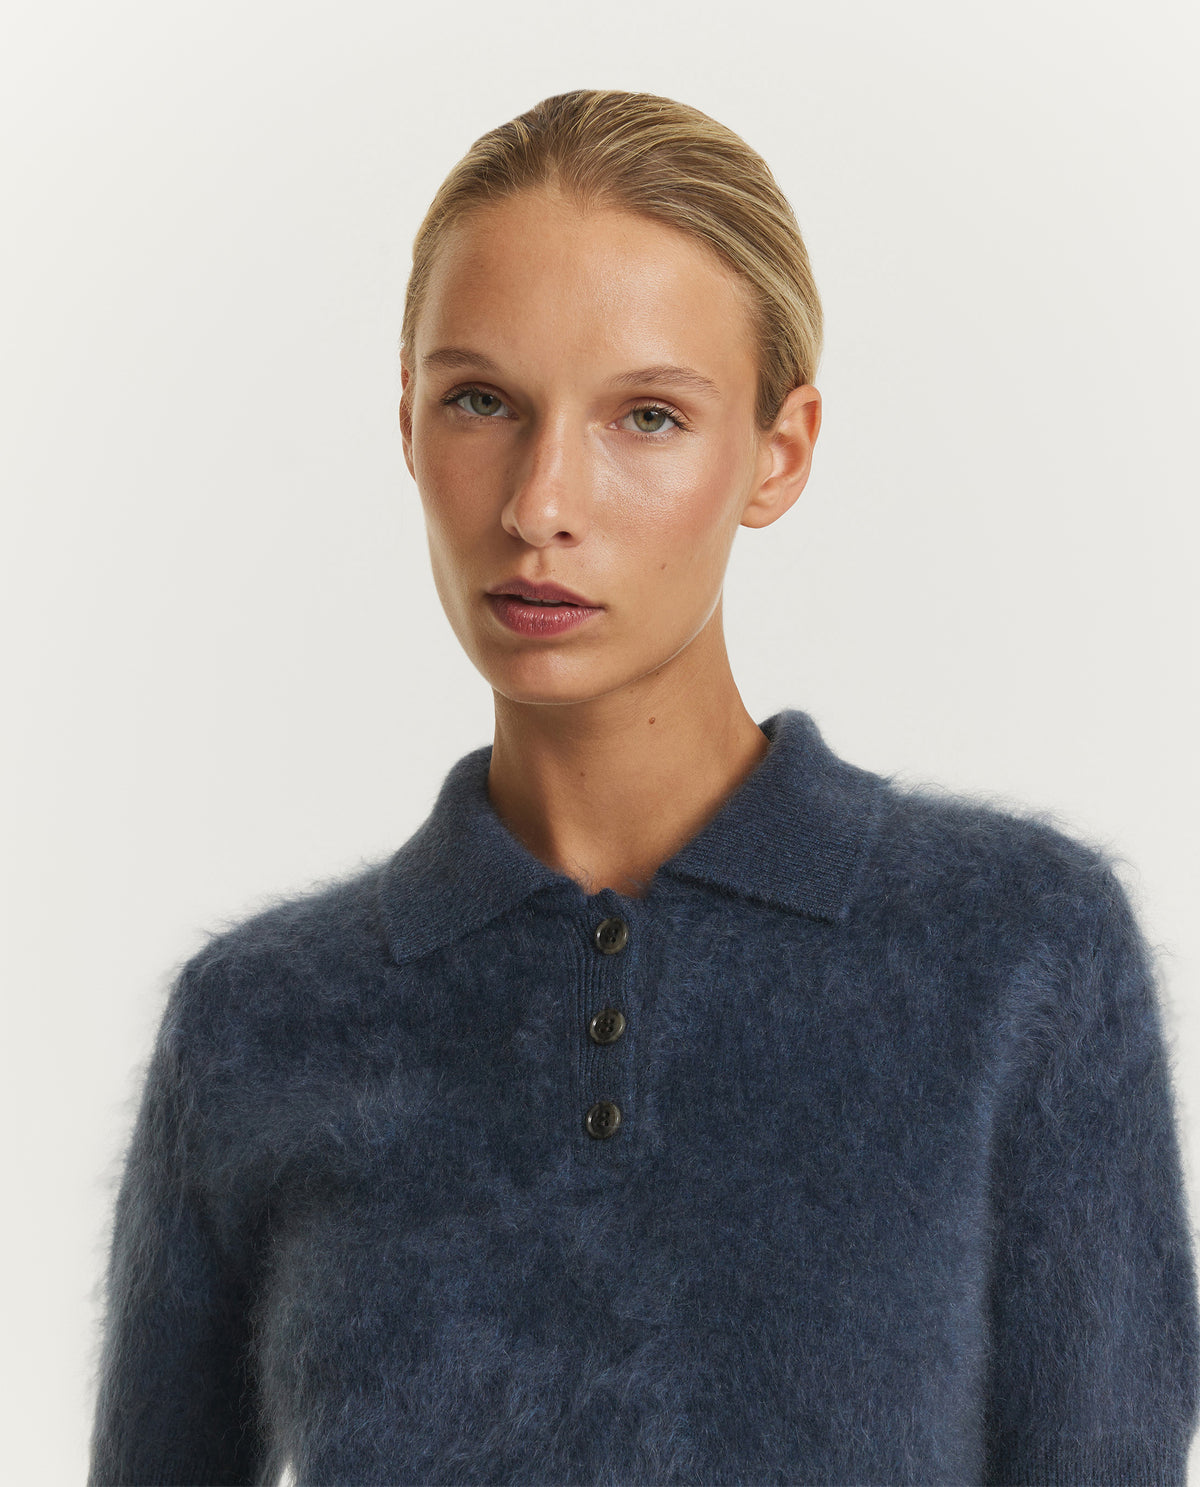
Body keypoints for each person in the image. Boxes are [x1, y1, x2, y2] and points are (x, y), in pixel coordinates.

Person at [87, 89, 1200, 1486]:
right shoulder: (257, 1023)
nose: (539, 502)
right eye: (481, 401)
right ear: (409, 425)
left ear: (779, 453)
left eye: (649, 416)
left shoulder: (1016, 950)